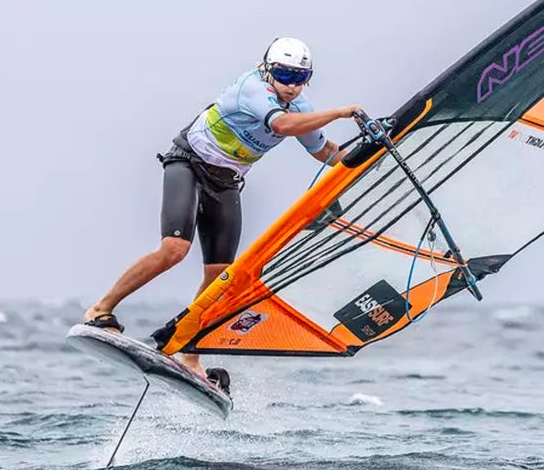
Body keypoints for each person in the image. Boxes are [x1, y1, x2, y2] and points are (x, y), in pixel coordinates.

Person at [82, 37, 361, 390]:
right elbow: (281, 126)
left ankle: (189, 352)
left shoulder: (300, 107)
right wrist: (340, 113)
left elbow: (326, 152)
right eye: (284, 75)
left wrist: (374, 151)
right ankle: (100, 310)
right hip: (188, 163)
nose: (291, 85)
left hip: (226, 182)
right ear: (268, 70)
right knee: (174, 250)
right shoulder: (252, 89)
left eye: (300, 77)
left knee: (220, 279)